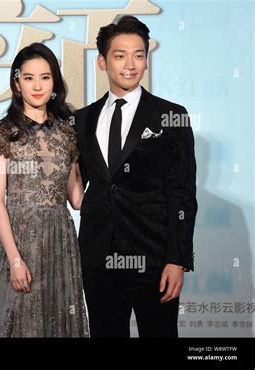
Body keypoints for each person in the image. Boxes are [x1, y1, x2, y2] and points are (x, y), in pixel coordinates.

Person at [74, 16, 197, 337]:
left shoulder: (171, 116)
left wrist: (177, 260)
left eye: (139, 55)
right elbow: (81, 189)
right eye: (120, 55)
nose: (130, 64)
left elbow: (183, 193)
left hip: (154, 258)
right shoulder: (82, 120)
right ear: (102, 61)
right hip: (98, 258)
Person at [0, 43, 89, 337]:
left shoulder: (67, 131)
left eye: (45, 77)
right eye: (28, 78)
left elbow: (76, 199)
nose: (37, 86)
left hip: (59, 243)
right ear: (16, 83)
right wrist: (15, 258)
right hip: (16, 241)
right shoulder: (4, 132)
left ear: (55, 82)